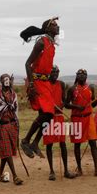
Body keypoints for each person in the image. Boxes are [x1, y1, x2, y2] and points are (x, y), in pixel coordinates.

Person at [19, 17, 60, 159]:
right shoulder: (42, 42)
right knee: (46, 113)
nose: (57, 27)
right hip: (36, 81)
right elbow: (27, 64)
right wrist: (31, 84)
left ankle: (34, 143)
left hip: (46, 82)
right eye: (54, 25)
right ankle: (25, 140)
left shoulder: (52, 44)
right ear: (48, 28)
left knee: (49, 115)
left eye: (57, 25)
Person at [65, 69, 97, 177]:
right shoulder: (72, 89)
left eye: (84, 74)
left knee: (93, 143)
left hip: (89, 118)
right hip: (77, 118)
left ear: (86, 77)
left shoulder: (90, 88)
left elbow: (92, 105)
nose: (82, 76)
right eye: (80, 74)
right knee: (77, 144)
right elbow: (66, 104)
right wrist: (76, 107)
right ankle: (80, 169)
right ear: (77, 76)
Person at [42, 66, 76, 180]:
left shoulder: (61, 84)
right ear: (49, 73)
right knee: (49, 144)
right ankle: (51, 171)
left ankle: (66, 170)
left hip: (59, 116)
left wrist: (61, 105)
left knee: (62, 143)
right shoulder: (44, 84)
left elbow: (63, 100)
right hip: (48, 117)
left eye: (57, 72)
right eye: (53, 72)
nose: (55, 74)